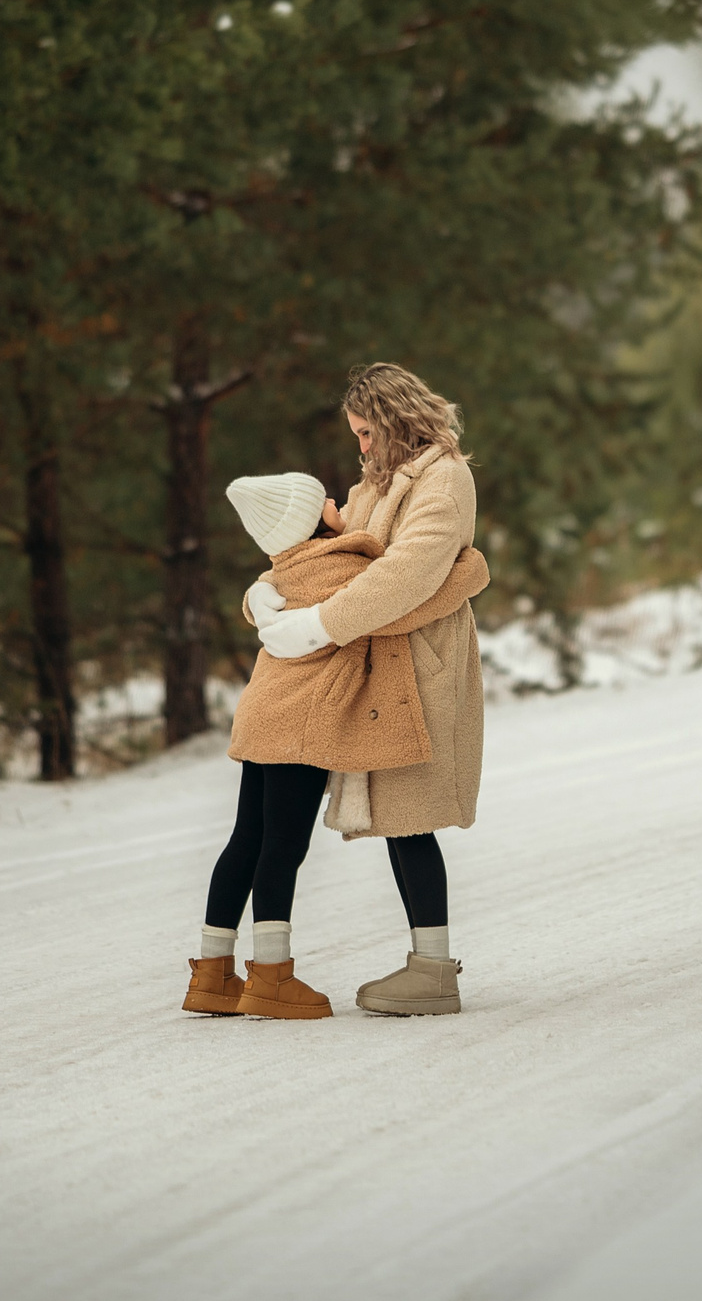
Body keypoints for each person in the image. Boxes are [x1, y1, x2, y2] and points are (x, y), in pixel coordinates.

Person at [180, 462, 489, 1020]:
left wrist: (254, 596)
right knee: (283, 847)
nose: (338, 501)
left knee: (245, 838)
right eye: (326, 499)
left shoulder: (281, 572)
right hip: (302, 723)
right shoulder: (344, 564)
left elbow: (277, 593)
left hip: (260, 715)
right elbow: (399, 594)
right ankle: (272, 977)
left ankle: (212, 973)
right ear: (315, 519)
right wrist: (471, 569)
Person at [249, 362, 485, 1018]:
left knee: (412, 815)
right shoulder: (371, 487)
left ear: (392, 418)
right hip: (377, 667)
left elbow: (407, 574)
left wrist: (320, 624)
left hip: (419, 666)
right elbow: (324, 557)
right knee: (399, 820)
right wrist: (264, 597)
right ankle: (430, 963)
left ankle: (434, 968)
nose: (360, 446)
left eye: (364, 431)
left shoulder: (444, 476)